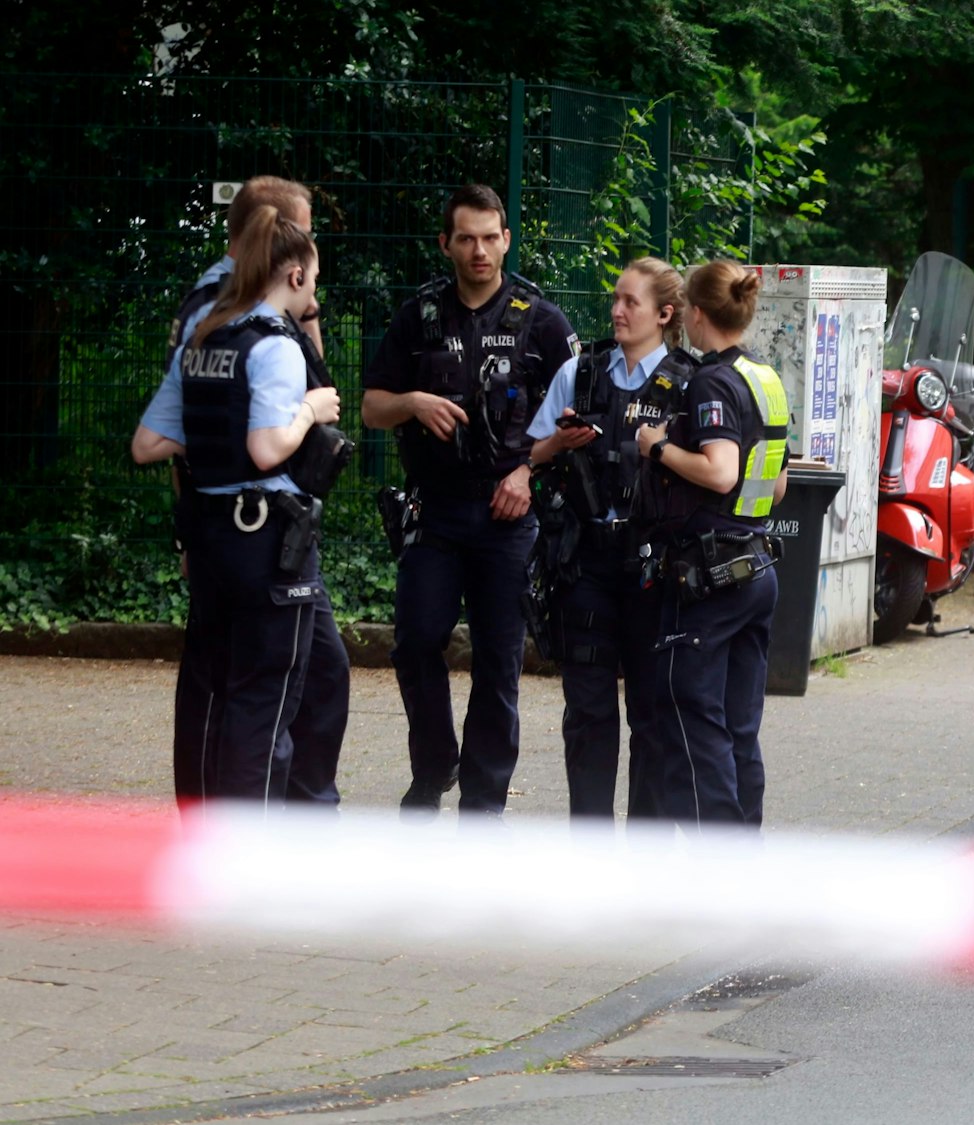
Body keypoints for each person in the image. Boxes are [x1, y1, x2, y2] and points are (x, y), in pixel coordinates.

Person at [361, 184, 578, 820]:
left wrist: (525, 474)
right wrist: (412, 403)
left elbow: (574, 425)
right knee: (416, 641)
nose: (479, 250)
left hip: (508, 513)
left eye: (491, 237)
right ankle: (433, 768)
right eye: (467, 239)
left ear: (507, 238)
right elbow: (371, 406)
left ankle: (484, 801)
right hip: (435, 511)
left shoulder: (543, 321)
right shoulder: (419, 315)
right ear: (447, 244)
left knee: (498, 660)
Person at [130, 204, 350, 805]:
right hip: (266, 545)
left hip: (209, 541)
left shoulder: (204, 336)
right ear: (296, 276)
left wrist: (215, 439)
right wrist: (310, 412)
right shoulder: (275, 343)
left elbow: (147, 444)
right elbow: (264, 448)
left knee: (210, 692)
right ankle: (248, 860)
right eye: (316, 277)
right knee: (264, 698)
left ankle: (202, 839)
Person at [525, 258, 693, 819]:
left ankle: (643, 860)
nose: (617, 310)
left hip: (656, 569)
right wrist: (561, 444)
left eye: (631, 302)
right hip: (587, 564)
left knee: (651, 712)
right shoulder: (582, 371)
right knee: (588, 712)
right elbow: (529, 453)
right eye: (616, 299)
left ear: (665, 314)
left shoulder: (690, 383)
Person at [633, 259, 790, 828]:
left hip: (711, 577)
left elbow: (721, 471)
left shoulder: (711, 382)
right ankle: (744, 859)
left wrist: (655, 446)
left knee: (694, 718)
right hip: (757, 566)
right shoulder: (764, 378)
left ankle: (714, 870)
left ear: (696, 315)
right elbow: (776, 485)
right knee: (739, 725)